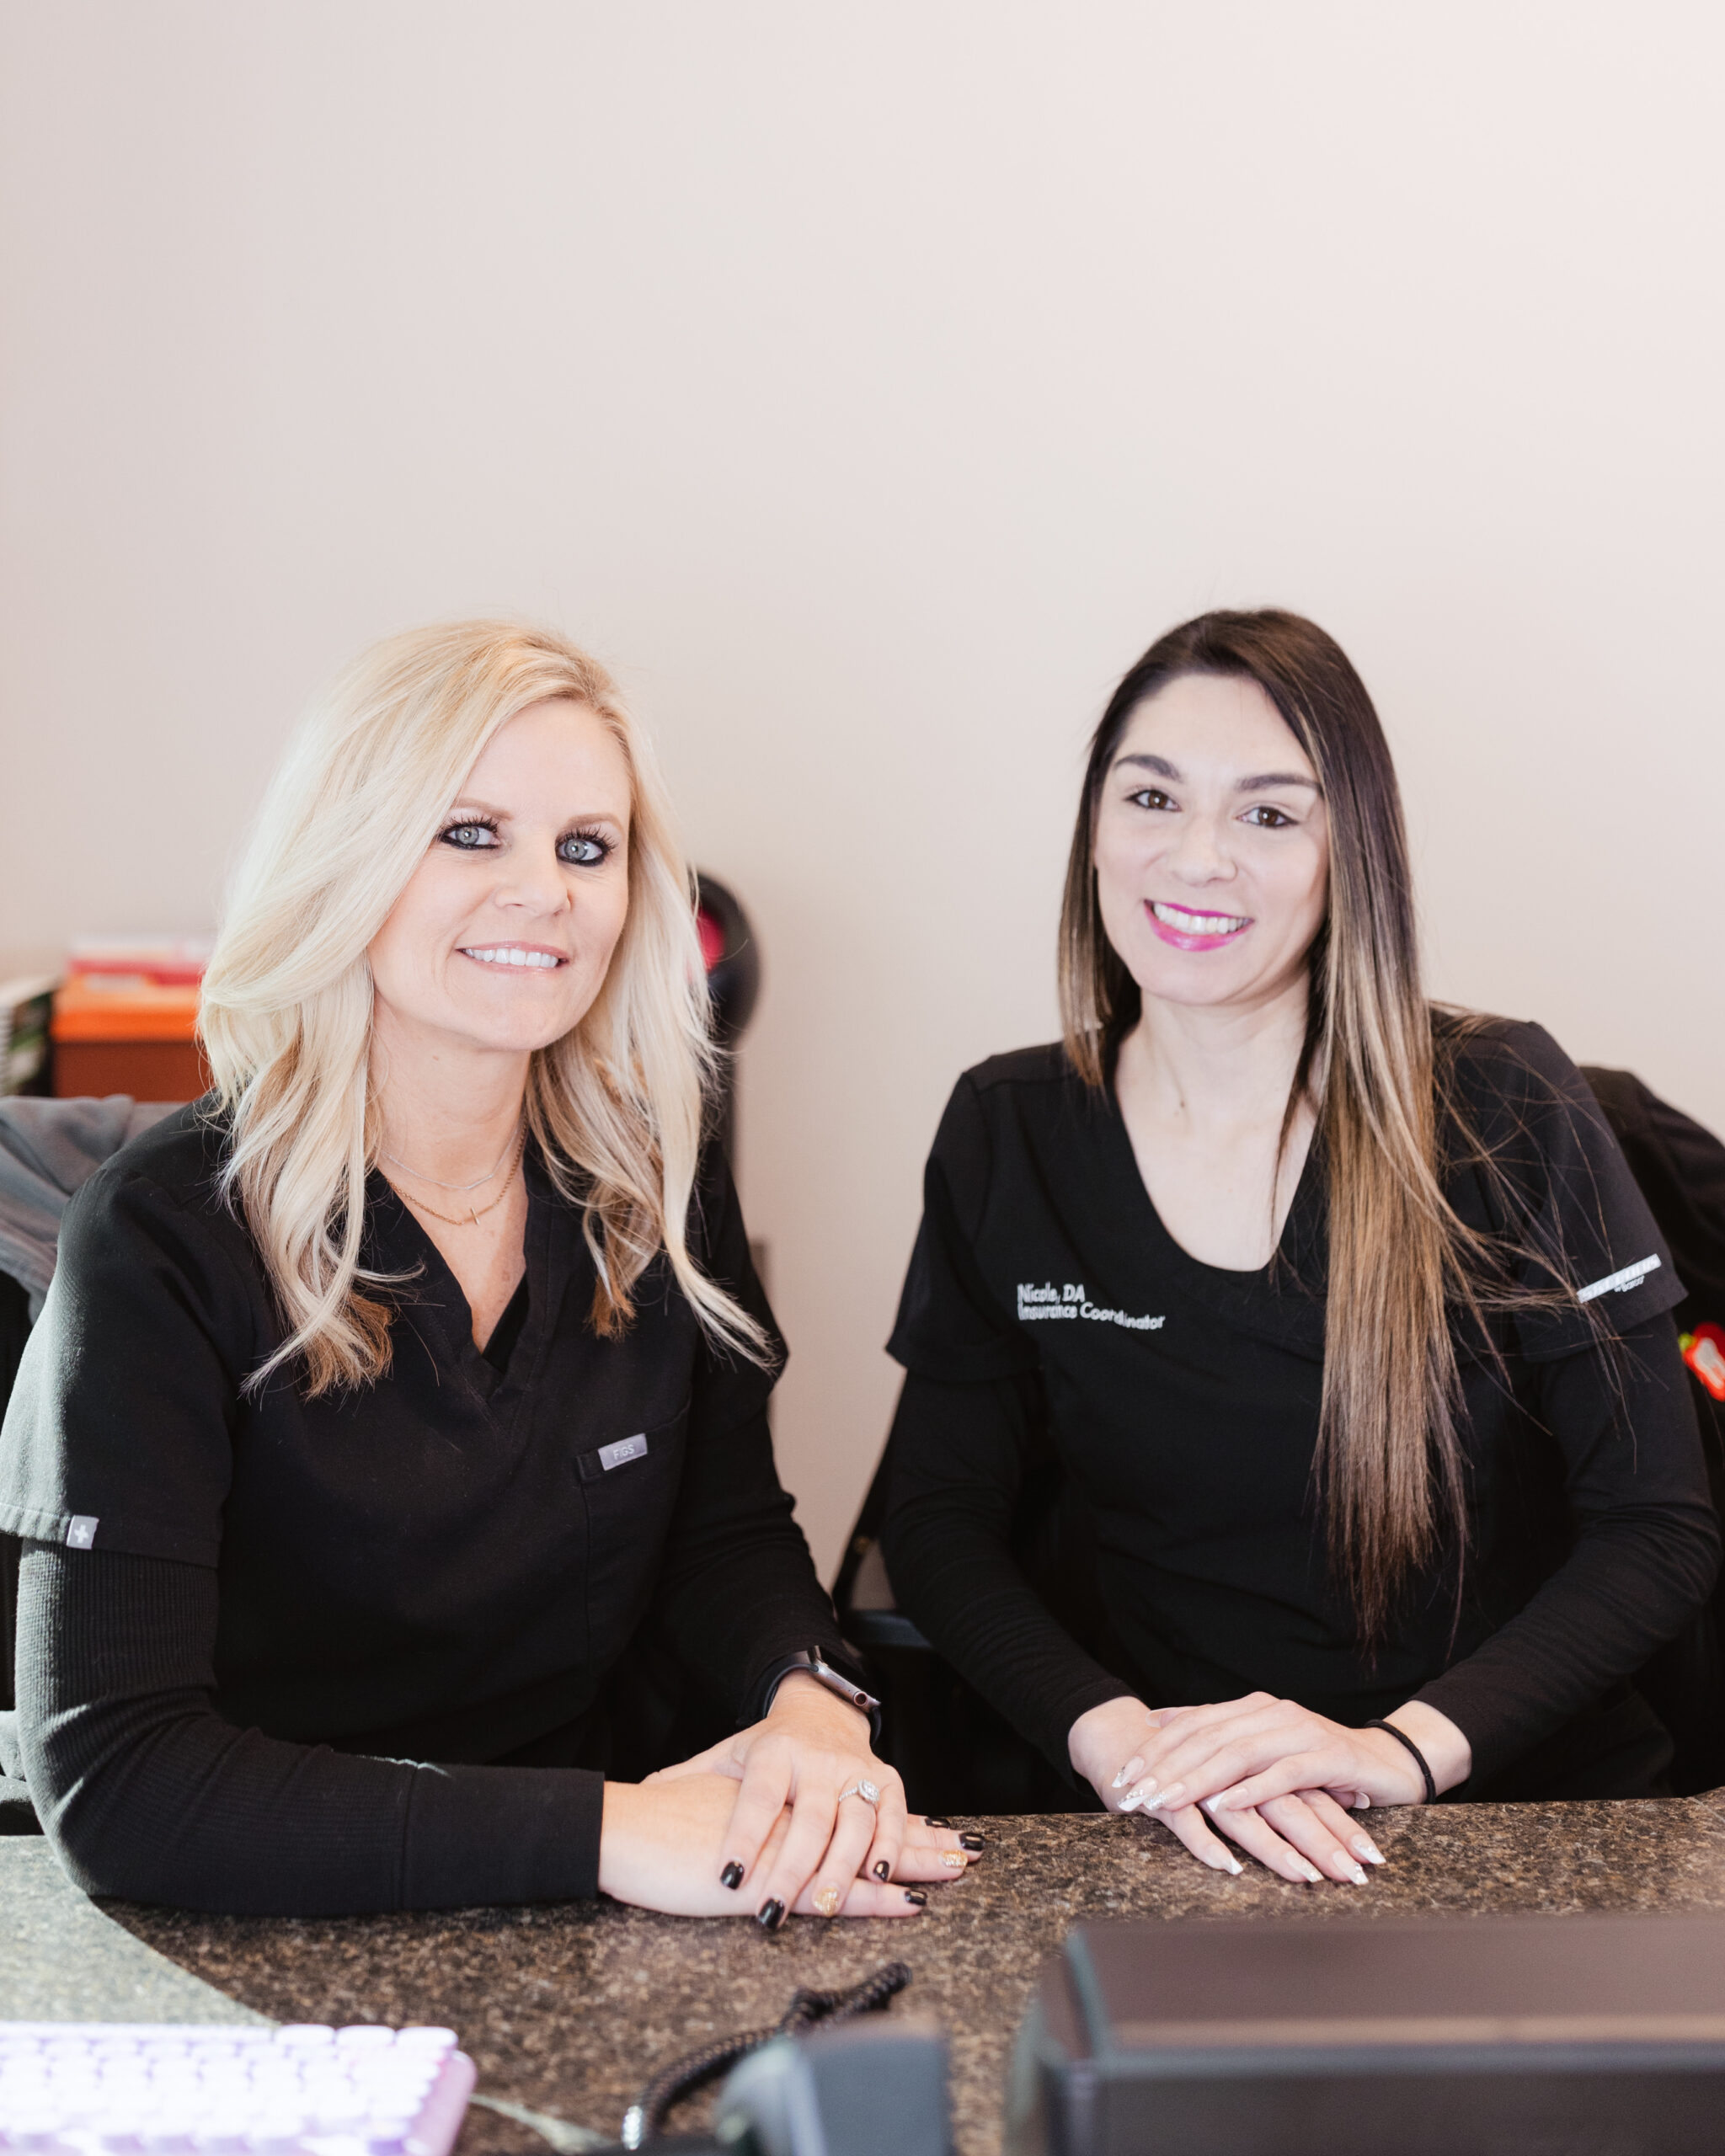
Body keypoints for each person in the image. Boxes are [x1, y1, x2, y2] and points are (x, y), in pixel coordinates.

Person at [0, 621, 977, 1919]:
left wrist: (809, 1696)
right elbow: (120, 1779)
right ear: (347, 863)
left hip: (580, 1904)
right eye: (472, 833)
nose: (547, 891)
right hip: (256, 1907)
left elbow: (724, 1535)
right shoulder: (161, 1235)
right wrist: (609, 1833)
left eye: (588, 847)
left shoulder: (654, 1188)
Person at [880, 608, 1718, 1886]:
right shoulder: (1012, 1129)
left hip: (1510, 1814)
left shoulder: (1505, 1103)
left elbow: (1656, 1527)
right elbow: (937, 1520)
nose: (1196, 857)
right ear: (1095, 830)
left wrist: (1400, 1752)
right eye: (1151, 797)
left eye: (1269, 815)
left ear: (1349, 857)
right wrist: (1122, 1748)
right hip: (1172, 1822)